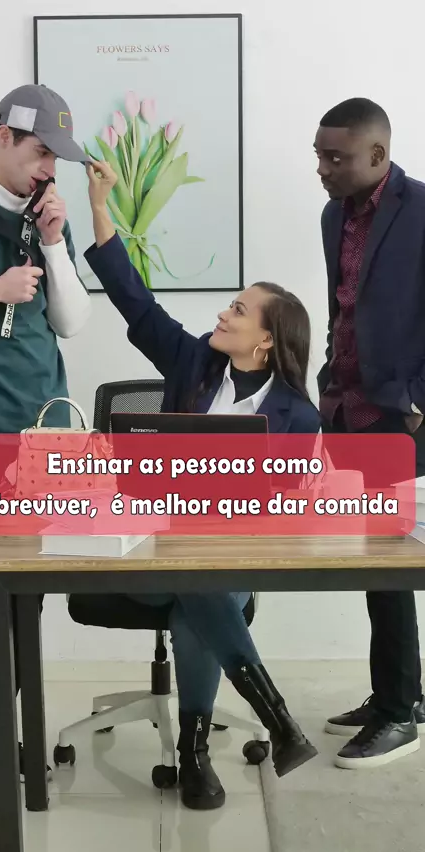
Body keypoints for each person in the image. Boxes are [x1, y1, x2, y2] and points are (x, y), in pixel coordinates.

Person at [82, 159, 321, 811]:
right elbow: (136, 303)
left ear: (266, 340)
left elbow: (285, 512)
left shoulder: (298, 418)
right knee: (199, 581)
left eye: (238, 309)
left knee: (203, 587)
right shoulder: (192, 362)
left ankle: (194, 753)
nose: (223, 312)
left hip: (227, 559)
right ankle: (273, 721)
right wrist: (100, 208)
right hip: (147, 552)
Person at [0, 84, 91, 832]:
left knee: (27, 602)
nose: (48, 170)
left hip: (47, 440)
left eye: (56, 160)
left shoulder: (41, 220)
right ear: (3, 136)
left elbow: (71, 322)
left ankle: (11, 745)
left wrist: (58, 245)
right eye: (40, 153)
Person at [315, 97, 425, 769]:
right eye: (319, 156)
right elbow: (343, 306)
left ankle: (398, 710)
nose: (323, 169)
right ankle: (400, 692)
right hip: (348, 408)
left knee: (390, 563)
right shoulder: (334, 215)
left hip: (398, 416)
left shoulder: (421, 210)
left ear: (378, 155)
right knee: (376, 561)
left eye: (337, 157)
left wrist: (417, 399)